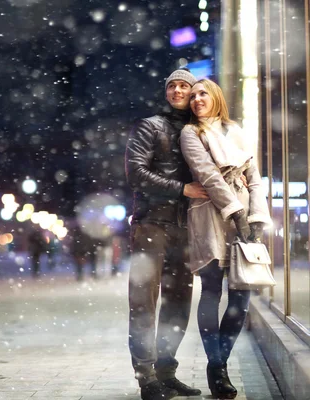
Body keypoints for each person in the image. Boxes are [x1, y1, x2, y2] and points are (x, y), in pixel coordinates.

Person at [180, 79, 271, 399]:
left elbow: (255, 178)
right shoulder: (191, 133)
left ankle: (220, 362)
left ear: (216, 96)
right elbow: (207, 173)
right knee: (211, 289)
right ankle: (216, 368)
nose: (196, 100)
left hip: (244, 213)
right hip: (208, 215)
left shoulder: (235, 131)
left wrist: (256, 218)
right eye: (192, 96)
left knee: (241, 295)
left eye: (203, 93)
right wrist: (234, 211)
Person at [125, 68, 206, 400]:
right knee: (143, 303)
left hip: (186, 229)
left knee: (178, 303)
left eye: (183, 85)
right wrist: (182, 188)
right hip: (151, 226)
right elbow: (136, 174)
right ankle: (146, 378)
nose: (176, 90)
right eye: (171, 85)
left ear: (193, 92)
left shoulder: (198, 130)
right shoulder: (150, 126)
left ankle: (166, 372)